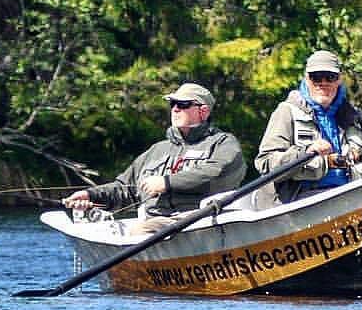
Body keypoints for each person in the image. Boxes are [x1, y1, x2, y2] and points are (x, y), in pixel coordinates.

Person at [66, 82, 246, 234]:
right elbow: (125, 189)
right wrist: (90, 195)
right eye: (173, 104)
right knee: (140, 230)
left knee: (142, 231)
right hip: (156, 222)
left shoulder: (224, 143)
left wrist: (167, 182)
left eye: (183, 105)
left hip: (200, 222)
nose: (175, 109)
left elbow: (216, 172)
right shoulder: (157, 150)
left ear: (203, 111)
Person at [253, 50, 362, 207]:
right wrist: (306, 152)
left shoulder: (356, 117)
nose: (323, 83)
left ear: (339, 80)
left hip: (355, 201)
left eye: (330, 77)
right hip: (303, 206)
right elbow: (266, 164)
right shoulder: (286, 112)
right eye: (316, 77)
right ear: (306, 79)